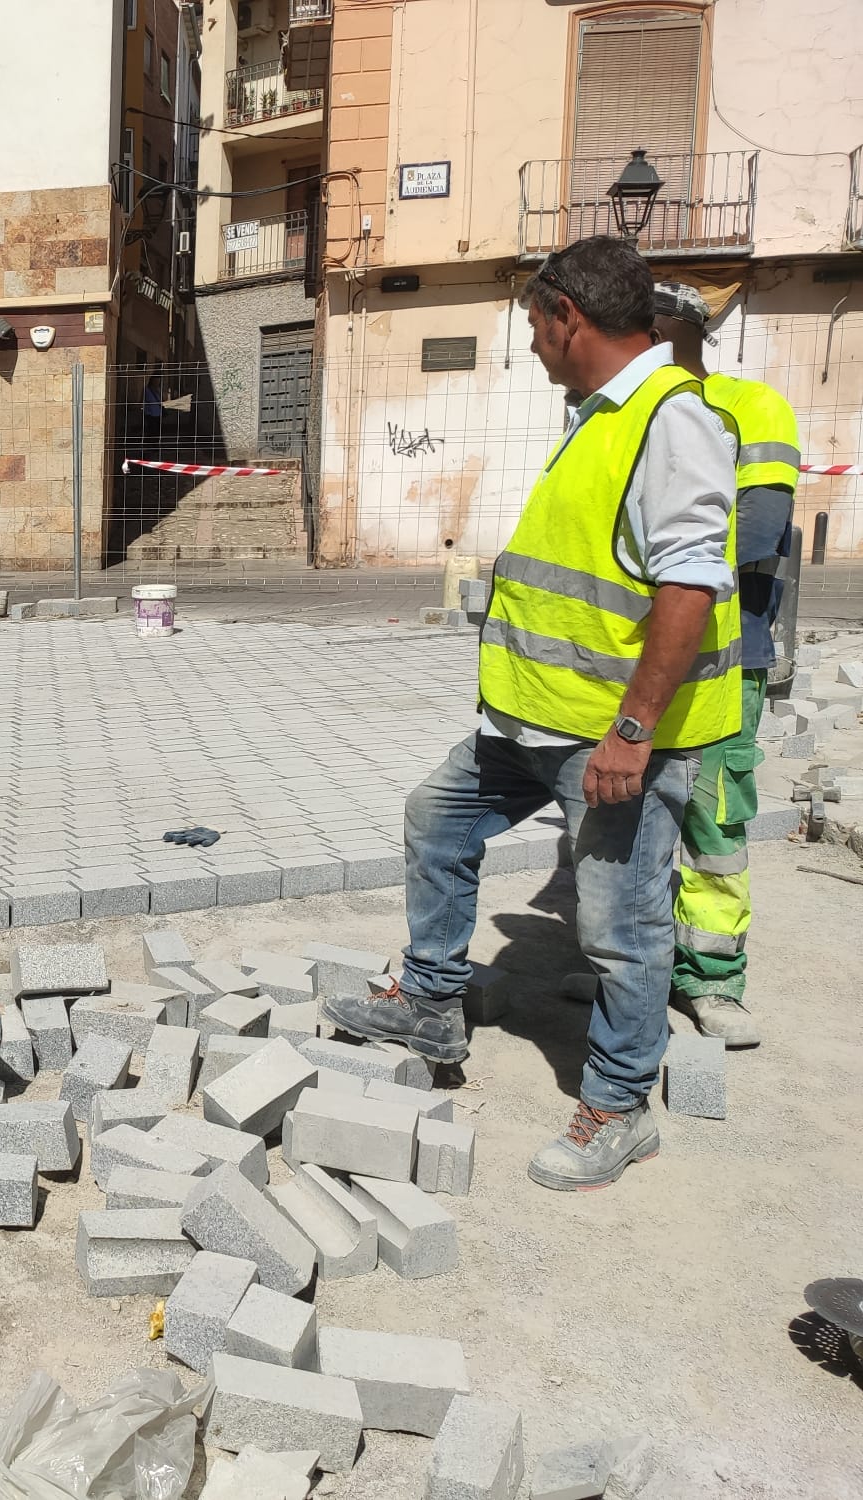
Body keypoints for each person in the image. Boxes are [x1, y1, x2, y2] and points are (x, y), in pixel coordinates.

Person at [320, 235, 742, 1192]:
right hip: (526, 725)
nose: (535, 348)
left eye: (535, 329)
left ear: (568, 318)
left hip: (608, 740)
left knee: (619, 927)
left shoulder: (669, 422)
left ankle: (619, 1105)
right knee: (437, 816)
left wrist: (632, 732)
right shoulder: (598, 417)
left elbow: (689, 586)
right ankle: (431, 997)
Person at [650, 282, 800, 1048]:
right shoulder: (623, 409)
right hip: (637, 662)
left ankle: (712, 982)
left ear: (674, 329)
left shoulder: (751, 406)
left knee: (714, 825)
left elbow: (755, 535)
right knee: (630, 823)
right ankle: (638, 970)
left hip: (724, 659)